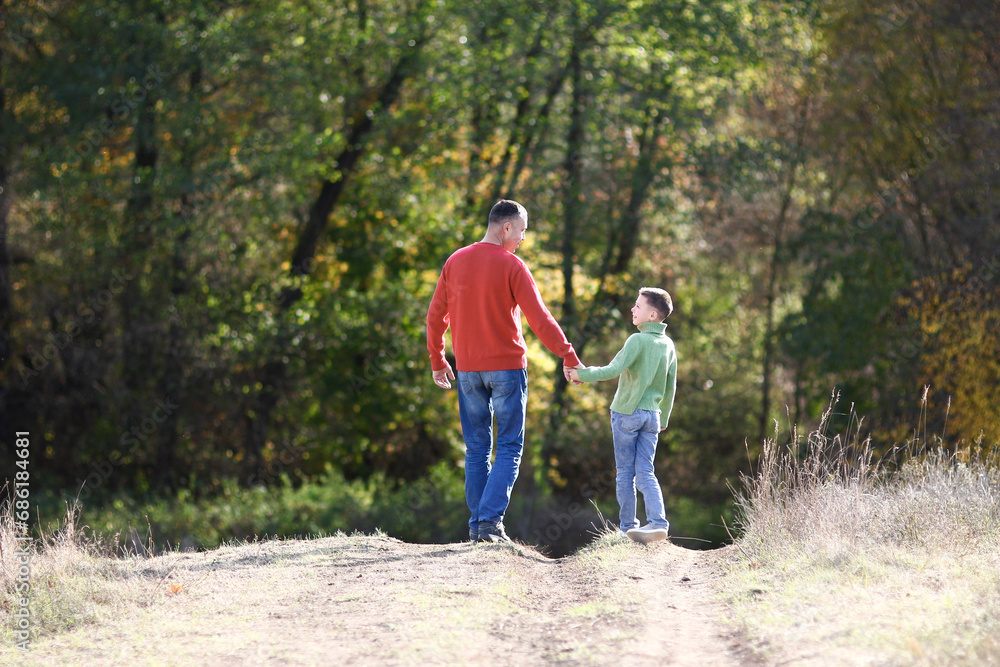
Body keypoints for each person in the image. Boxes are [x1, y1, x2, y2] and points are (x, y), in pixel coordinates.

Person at [427, 200, 582, 544]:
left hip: (467, 370)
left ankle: (477, 526)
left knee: (477, 448)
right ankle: (488, 524)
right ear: (506, 228)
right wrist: (568, 354)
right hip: (507, 370)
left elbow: (436, 316)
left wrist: (438, 360)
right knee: (510, 446)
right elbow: (539, 318)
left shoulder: (455, 261)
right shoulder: (512, 265)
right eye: (523, 230)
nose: (523, 238)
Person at [565, 287, 677, 544]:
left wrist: (580, 374)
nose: (632, 309)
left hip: (627, 413)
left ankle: (628, 526)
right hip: (653, 417)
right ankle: (658, 523)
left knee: (626, 472)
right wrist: (665, 419)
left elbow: (613, 369)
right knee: (646, 472)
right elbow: (671, 386)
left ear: (652, 315)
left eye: (637, 306)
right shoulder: (668, 344)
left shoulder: (636, 340)